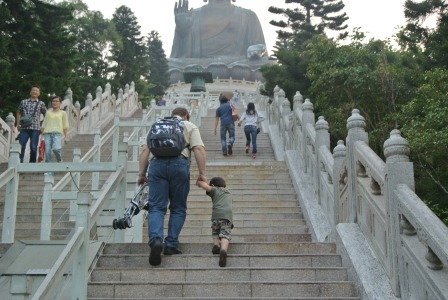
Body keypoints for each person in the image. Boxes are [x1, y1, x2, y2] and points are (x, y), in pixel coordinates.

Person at [138, 107, 207, 266]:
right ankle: (171, 244)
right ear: (186, 115)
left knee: (156, 207)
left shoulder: (157, 125)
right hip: (179, 165)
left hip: (156, 165)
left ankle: (155, 240)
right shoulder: (189, 125)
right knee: (178, 207)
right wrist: (202, 173)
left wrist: (142, 174)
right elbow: (198, 149)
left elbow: (144, 150)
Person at [171, 0, 266, 58]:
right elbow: (180, 57)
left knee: (262, 68)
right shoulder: (192, 15)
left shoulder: (248, 16)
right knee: (170, 67)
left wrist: (255, 50)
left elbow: (261, 50)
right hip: (198, 67)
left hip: (238, 66)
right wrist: (183, 31)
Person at [196, 176, 233, 267]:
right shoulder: (228, 192)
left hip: (216, 215)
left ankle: (216, 245)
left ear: (213, 185)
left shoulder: (215, 190)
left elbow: (205, 186)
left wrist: (199, 181)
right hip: (227, 216)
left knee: (215, 231)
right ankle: (223, 250)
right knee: (225, 234)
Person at [16, 85, 47, 163]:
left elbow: (46, 115)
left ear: (39, 93)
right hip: (24, 128)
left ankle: (32, 164)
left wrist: (42, 125)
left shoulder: (41, 103)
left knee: (33, 147)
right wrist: (18, 123)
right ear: (30, 92)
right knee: (21, 145)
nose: (35, 92)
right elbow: (18, 112)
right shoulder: (24, 102)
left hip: (36, 128)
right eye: (33, 90)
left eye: (37, 90)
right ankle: (19, 162)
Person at [41, 95, 69, 162]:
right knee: (47, 151)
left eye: (57, 101)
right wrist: (41, 136)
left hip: (57, 134)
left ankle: (59, 159)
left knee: (56, 149)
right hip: (47, 133)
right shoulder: (48, 112)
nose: (55, 102)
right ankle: (48, 170)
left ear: (60, 103)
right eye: (53, 101)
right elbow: (44, 124)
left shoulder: (63, 113)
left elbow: (65, 125)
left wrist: (66, 136)